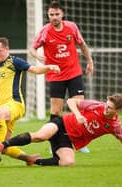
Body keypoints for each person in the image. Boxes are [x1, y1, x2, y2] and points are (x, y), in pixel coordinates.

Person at [0, 37, 60, 164]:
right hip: (2, 107)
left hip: (15, 104)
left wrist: (49, 67)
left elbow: (34, 69)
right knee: (6, 147)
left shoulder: (15, 62)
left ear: (7, 49)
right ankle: (30, 159)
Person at [0, 94, 122, 166]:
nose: (106, 109)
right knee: (41, 136)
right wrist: (78, 115)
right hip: (61, 124)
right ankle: (3, 145)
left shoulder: (115, 126)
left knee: (67, 162)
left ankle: (33, 160)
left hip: (68, 139)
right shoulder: (96, 105)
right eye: (107, 105)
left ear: (118, 111)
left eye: (110, 108)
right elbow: (71, 101)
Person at [29, 1, 94, 153]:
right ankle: (55, 144)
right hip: (56, 76)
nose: (54, 17)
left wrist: (90, 61)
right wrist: (37, 55)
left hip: (74, 73)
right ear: (48, 15)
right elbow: (32, 48)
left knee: (78, 108)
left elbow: (82, 45)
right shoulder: (45, 31)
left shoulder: (71, 27)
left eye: (57, 14)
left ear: (62, 14)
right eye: (51, 14)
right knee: (56, 112)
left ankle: (79, 142)